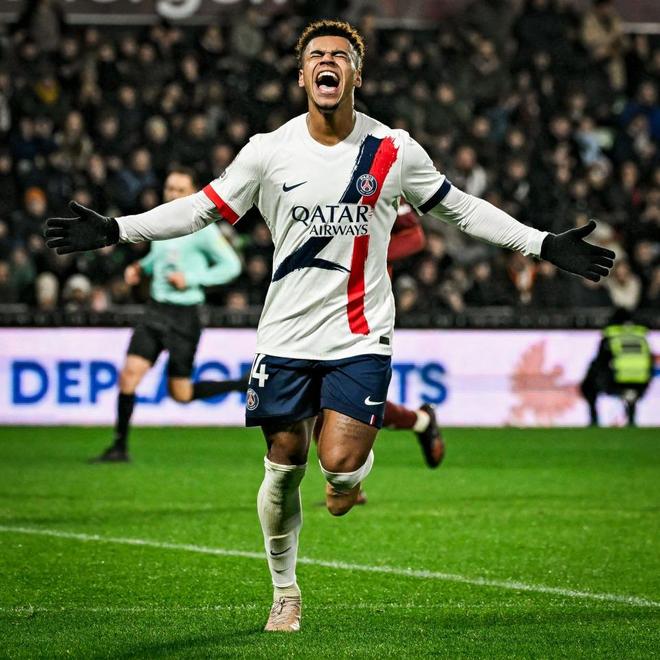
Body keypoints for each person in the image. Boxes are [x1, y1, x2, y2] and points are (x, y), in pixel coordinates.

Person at [45, 20, 615, 632]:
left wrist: (541, 244)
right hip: (285, 335)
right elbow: (200, 209)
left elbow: (461, 209)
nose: (328, 62)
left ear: (355, 75)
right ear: (302, 75)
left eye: (340, 56)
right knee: (285, 462)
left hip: (360, 334)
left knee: (339, 469)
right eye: (316, 55)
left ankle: (349, 478)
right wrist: (119, 229)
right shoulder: (268, 151)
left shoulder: (394, 148)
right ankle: (284, 592)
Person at [92, 167, 246, 463]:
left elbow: (231, 265)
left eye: (180, 189)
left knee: (181, 394)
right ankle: (119, 447)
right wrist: (141, 268)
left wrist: (192, 278)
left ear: (193, 193)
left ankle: (240, 384)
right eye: (169, 188)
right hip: (155, 310)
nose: (173, 194)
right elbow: (157, 259)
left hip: (185, 316)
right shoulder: (161, 222)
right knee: (128, 376)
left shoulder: (203, 229)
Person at [580, 308, 653, 426]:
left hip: (617, 381)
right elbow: (650, 361)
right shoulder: (640, 336)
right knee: (630, 389)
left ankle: (594, 420)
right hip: (641, 383)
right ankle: (631, 418)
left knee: (588, 386)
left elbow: (600, 362)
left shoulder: (611, 336)